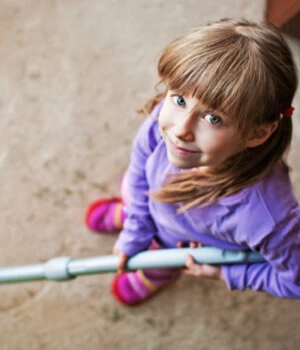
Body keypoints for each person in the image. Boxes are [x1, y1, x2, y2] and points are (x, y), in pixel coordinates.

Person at [85, 18, 299, 306]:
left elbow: (295, 282)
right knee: (134, 187)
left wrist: (229, 274)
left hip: (179, 245)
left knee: (157, 261)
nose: (181, 129)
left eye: (213, 118)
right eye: (180, 100)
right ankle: (133, 214)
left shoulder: (268, 219)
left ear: (256, 133)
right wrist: (136, 230)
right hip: (151, 196)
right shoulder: (168, 118)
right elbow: (139, 166)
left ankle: (155, 274)